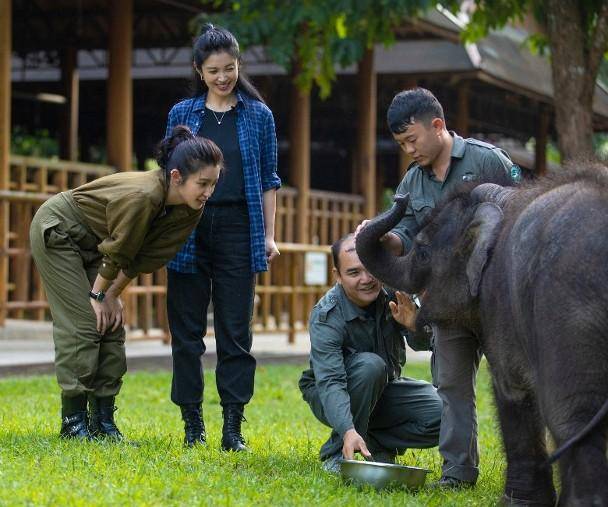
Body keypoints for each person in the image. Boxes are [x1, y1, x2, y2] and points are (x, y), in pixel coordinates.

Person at [357, 87, 521, 488]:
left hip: (497, 301)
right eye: (400, 144)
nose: (408, 149)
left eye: (411, 140)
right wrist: (381, 239)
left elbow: (521, 217)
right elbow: (407, 234)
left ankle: (525, 472)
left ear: (437, 125)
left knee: (515, 384)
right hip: (448, 302)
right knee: (450, 385)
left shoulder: (488, 160)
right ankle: (458, 474)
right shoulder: (412, 181)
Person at [29, 126, 223, 441]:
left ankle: (103, 422)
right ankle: (73, 422)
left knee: (112, 324)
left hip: (99, 245)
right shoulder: (144, 195)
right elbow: (120, 250)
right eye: (202, 183)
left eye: (214, 184)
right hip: (61, 230)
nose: (208, 192)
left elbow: (144, 257)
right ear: (176, 176)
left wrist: (112, 295)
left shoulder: (191, 208)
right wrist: (97, 294)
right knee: (84, 323)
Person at [164, 23, 281, 451]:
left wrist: (269, 235)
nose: (222, 77)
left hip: (239, 227)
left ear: (238, 65)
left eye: (229, 69)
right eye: (213, 71)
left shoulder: (258, 115)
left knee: (236, 332)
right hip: (187, 227)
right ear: (199, 70)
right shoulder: (182, 114)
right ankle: (192, 424)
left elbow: (269, 179)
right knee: (187, 332)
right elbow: (169, 176)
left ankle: (233, 427)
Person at [298, 234, 442, 473]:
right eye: (354, 273)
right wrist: (346, 428)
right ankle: (339, 451)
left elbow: (424, 346)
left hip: (385, 389)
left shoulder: (393, 295)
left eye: (370, 269)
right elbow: (331, 381)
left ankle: (375, 442)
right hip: (333, 392)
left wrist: (414, 326)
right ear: (338, 276)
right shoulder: (327, 316)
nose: (366, 279)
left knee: (446, 415)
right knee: (370, 366)